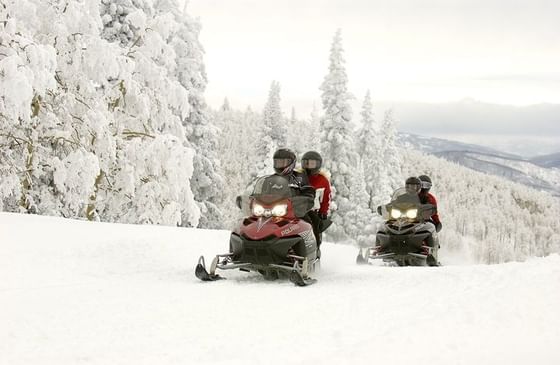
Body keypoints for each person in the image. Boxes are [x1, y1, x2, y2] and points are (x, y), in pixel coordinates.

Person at [301, 151, 332, 247]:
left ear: (318, 165)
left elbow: (326, 198)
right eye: (306, 163)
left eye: (312, 164)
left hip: (312, 210)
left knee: (314, 225)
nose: (309, 166)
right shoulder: (298, 177)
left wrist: (323, 212)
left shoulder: (322, 180)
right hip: (296, 208)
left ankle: (315, 247)